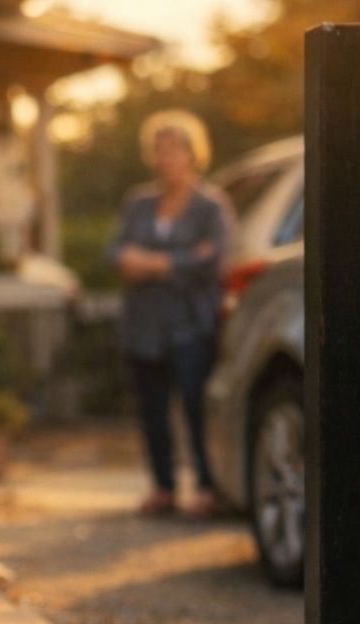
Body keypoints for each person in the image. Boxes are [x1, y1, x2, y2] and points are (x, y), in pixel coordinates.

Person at [110, 110, 232, 517]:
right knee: (152, 412)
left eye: (174, 150)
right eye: (160, 151)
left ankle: (207, 485)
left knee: (195, 407)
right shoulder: (139, 203)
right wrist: (176, 261)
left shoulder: (209, 205)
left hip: (190, 325)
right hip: (143, 324)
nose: (166, 159)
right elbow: (116, 252)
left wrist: (152, 263)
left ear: (192, 154)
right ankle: (163, 486)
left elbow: (212, 258)